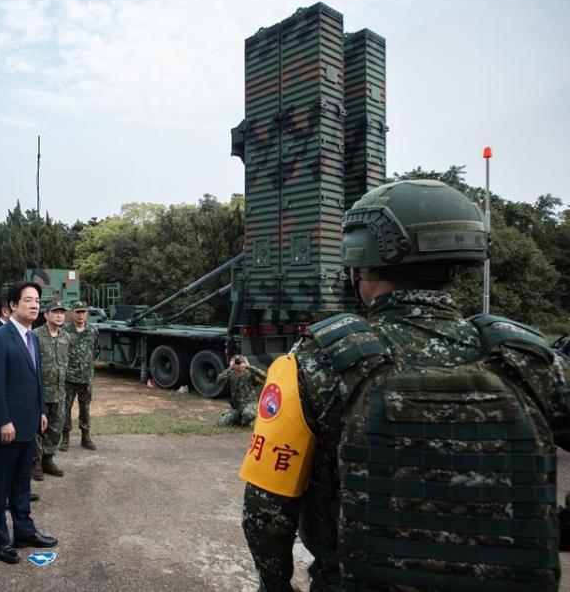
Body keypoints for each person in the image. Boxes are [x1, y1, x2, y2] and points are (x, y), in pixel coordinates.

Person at [240, 179, 570, 591]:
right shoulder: (533, 360)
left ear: (359, 263)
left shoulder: (313, 362)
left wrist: (275, 586)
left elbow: (267, 511)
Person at [0, 281, 57, 564]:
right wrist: (3, 420)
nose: (35, 305)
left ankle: (24, 531)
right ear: (13, 305)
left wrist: (41, 410)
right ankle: (0, 541)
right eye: (28, 300)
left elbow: (35, 378)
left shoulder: (32, 337)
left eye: (37, 300)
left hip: (28, 423)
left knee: (22, 484)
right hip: (7, 427)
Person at [32, 301, 69, 479]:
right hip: (40, 393)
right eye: (55, 312)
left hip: (60, 391)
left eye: (62, 312)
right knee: (37, 429)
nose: (59, 315)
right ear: (46, 315)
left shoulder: (65, 337)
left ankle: (48, 458)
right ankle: (35, 462)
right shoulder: (35, 336)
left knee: (56, 428)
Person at [60, 301, 99, 451]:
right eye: (78, 312)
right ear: (72, 313)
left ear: (87, 313)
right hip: (69, 377)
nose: (81, 314)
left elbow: (96, 351)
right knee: (65, 408)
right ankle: (65, 437)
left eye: (83, 312)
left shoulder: (93, 330)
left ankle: (85, 436)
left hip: (86, 377)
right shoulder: (64, 331)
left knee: (85, 407)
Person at [214, 355, 265, 427]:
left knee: (248, 414)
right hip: (237, 406)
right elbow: (218, 381)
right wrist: (230, 368)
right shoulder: (231, 374)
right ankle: (237, 418)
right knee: (221, 424)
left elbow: (264, 376)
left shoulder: (250, 373)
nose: (239, 365)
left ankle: (245, 422)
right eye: (237, 363)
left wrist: (248, 366)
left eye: (240, 362)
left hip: (250, 403)